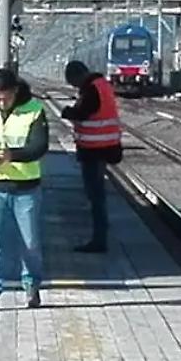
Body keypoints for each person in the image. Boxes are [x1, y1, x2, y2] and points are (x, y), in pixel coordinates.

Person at [0, 69, 49, 310]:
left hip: (26, 187)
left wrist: (13, 155)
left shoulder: (34, 109)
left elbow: (39, 146)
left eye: (6, 97)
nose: (1, 101)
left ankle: (32, 285)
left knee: (30, 242)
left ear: (15, 91)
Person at [61, 60, 123, 253]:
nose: (74, 86)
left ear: (78, 76)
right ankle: (100, 236)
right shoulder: (102, 85)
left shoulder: (91, 89)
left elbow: (83, 113)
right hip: (105, 147)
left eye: (73, 82)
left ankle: (99, 239)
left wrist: (68, 111)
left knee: (96, 196)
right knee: (97, 195)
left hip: (94, 149)